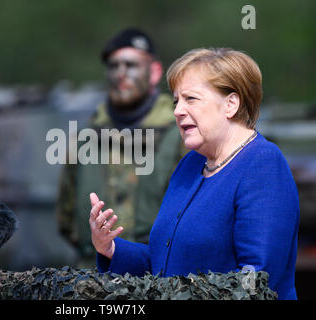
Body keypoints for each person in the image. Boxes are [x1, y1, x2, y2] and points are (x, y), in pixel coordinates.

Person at [89, 48, 300, 300]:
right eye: (177, 100)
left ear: (231, 104)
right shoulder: (190, 164)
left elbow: (257, 280)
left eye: (191, 99)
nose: (177, 110)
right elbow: (166, 268)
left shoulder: (263, 164)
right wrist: (110, 248)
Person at [57, 28, 184, 267]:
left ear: (155, 72)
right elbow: (67, 220)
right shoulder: (86, 138)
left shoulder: (181, 136)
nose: (121, 74)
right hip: (91, 280)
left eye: (131, 65)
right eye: (113, 66)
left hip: (158, 280)